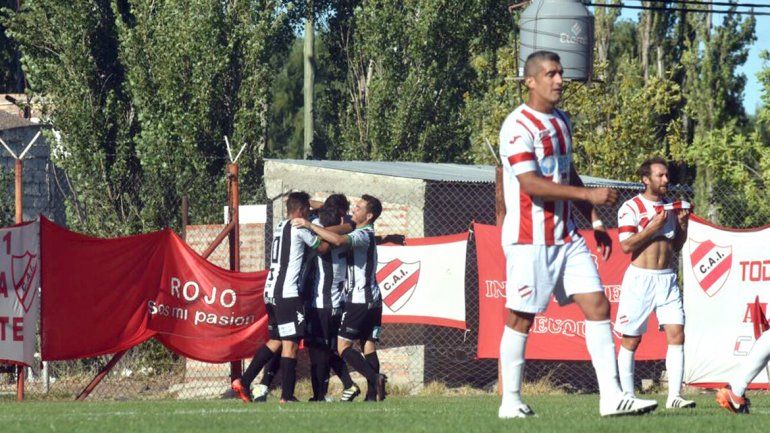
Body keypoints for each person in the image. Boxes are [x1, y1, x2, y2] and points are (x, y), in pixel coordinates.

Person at [497, 50, 658, 418]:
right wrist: (589, 196)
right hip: (529, 239)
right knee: (521, 317)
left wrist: (594, 219)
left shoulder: (562, 121)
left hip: (567, 236)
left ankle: (612, 397)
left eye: (561, 73)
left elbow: (566, 174)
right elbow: (532, 185)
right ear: (530, 81)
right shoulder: (517, 126)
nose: (559, 81)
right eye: (551, 74)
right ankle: (511, 401)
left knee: (598, 305)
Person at [614, 157, 694, 409]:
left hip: (666, 279)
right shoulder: (631, 207)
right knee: (631, 339)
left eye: (667, 175)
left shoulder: (670, 206)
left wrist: (682, 225)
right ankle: (626, 395)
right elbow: (627, 245)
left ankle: (674, 397)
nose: (666, 180)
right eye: (660, 176)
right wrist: (653, 226)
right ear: (645, 179)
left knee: (677, 334)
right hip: (640, 279)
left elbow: (676, 246)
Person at [293, 195, 387, 401]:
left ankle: (374, 377)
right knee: (368, 345)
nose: (355, 209)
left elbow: (336, 240)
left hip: (359, 299)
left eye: (359, 207)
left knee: (342, 347)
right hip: (374, 299)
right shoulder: (365, 232)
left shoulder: (361, 234)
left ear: (369, 215)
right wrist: (316, 205)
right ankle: (373, 396)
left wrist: (308, 224)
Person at [231, 191, 323, 403]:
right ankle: (287, 396)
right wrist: (314, 225)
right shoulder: (300, 228)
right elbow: (322, 246)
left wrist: (308, 207)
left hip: (271, 292)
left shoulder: (281, 226)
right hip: (288, 294)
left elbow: (305, 208)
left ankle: (244, 380)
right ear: (301, 212)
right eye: (307, 211)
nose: (310, 214)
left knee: (276, 340)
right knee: (290, 344)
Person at [306, 204, 360, 402]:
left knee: (318, 351)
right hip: (337, 303)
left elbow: (322, 240)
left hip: (322, 303)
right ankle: (346, 385)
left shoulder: (326, 239)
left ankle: (319, 395)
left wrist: (310, 223)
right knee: (328, 350)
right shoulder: (346, 231)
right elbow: (347, 223)